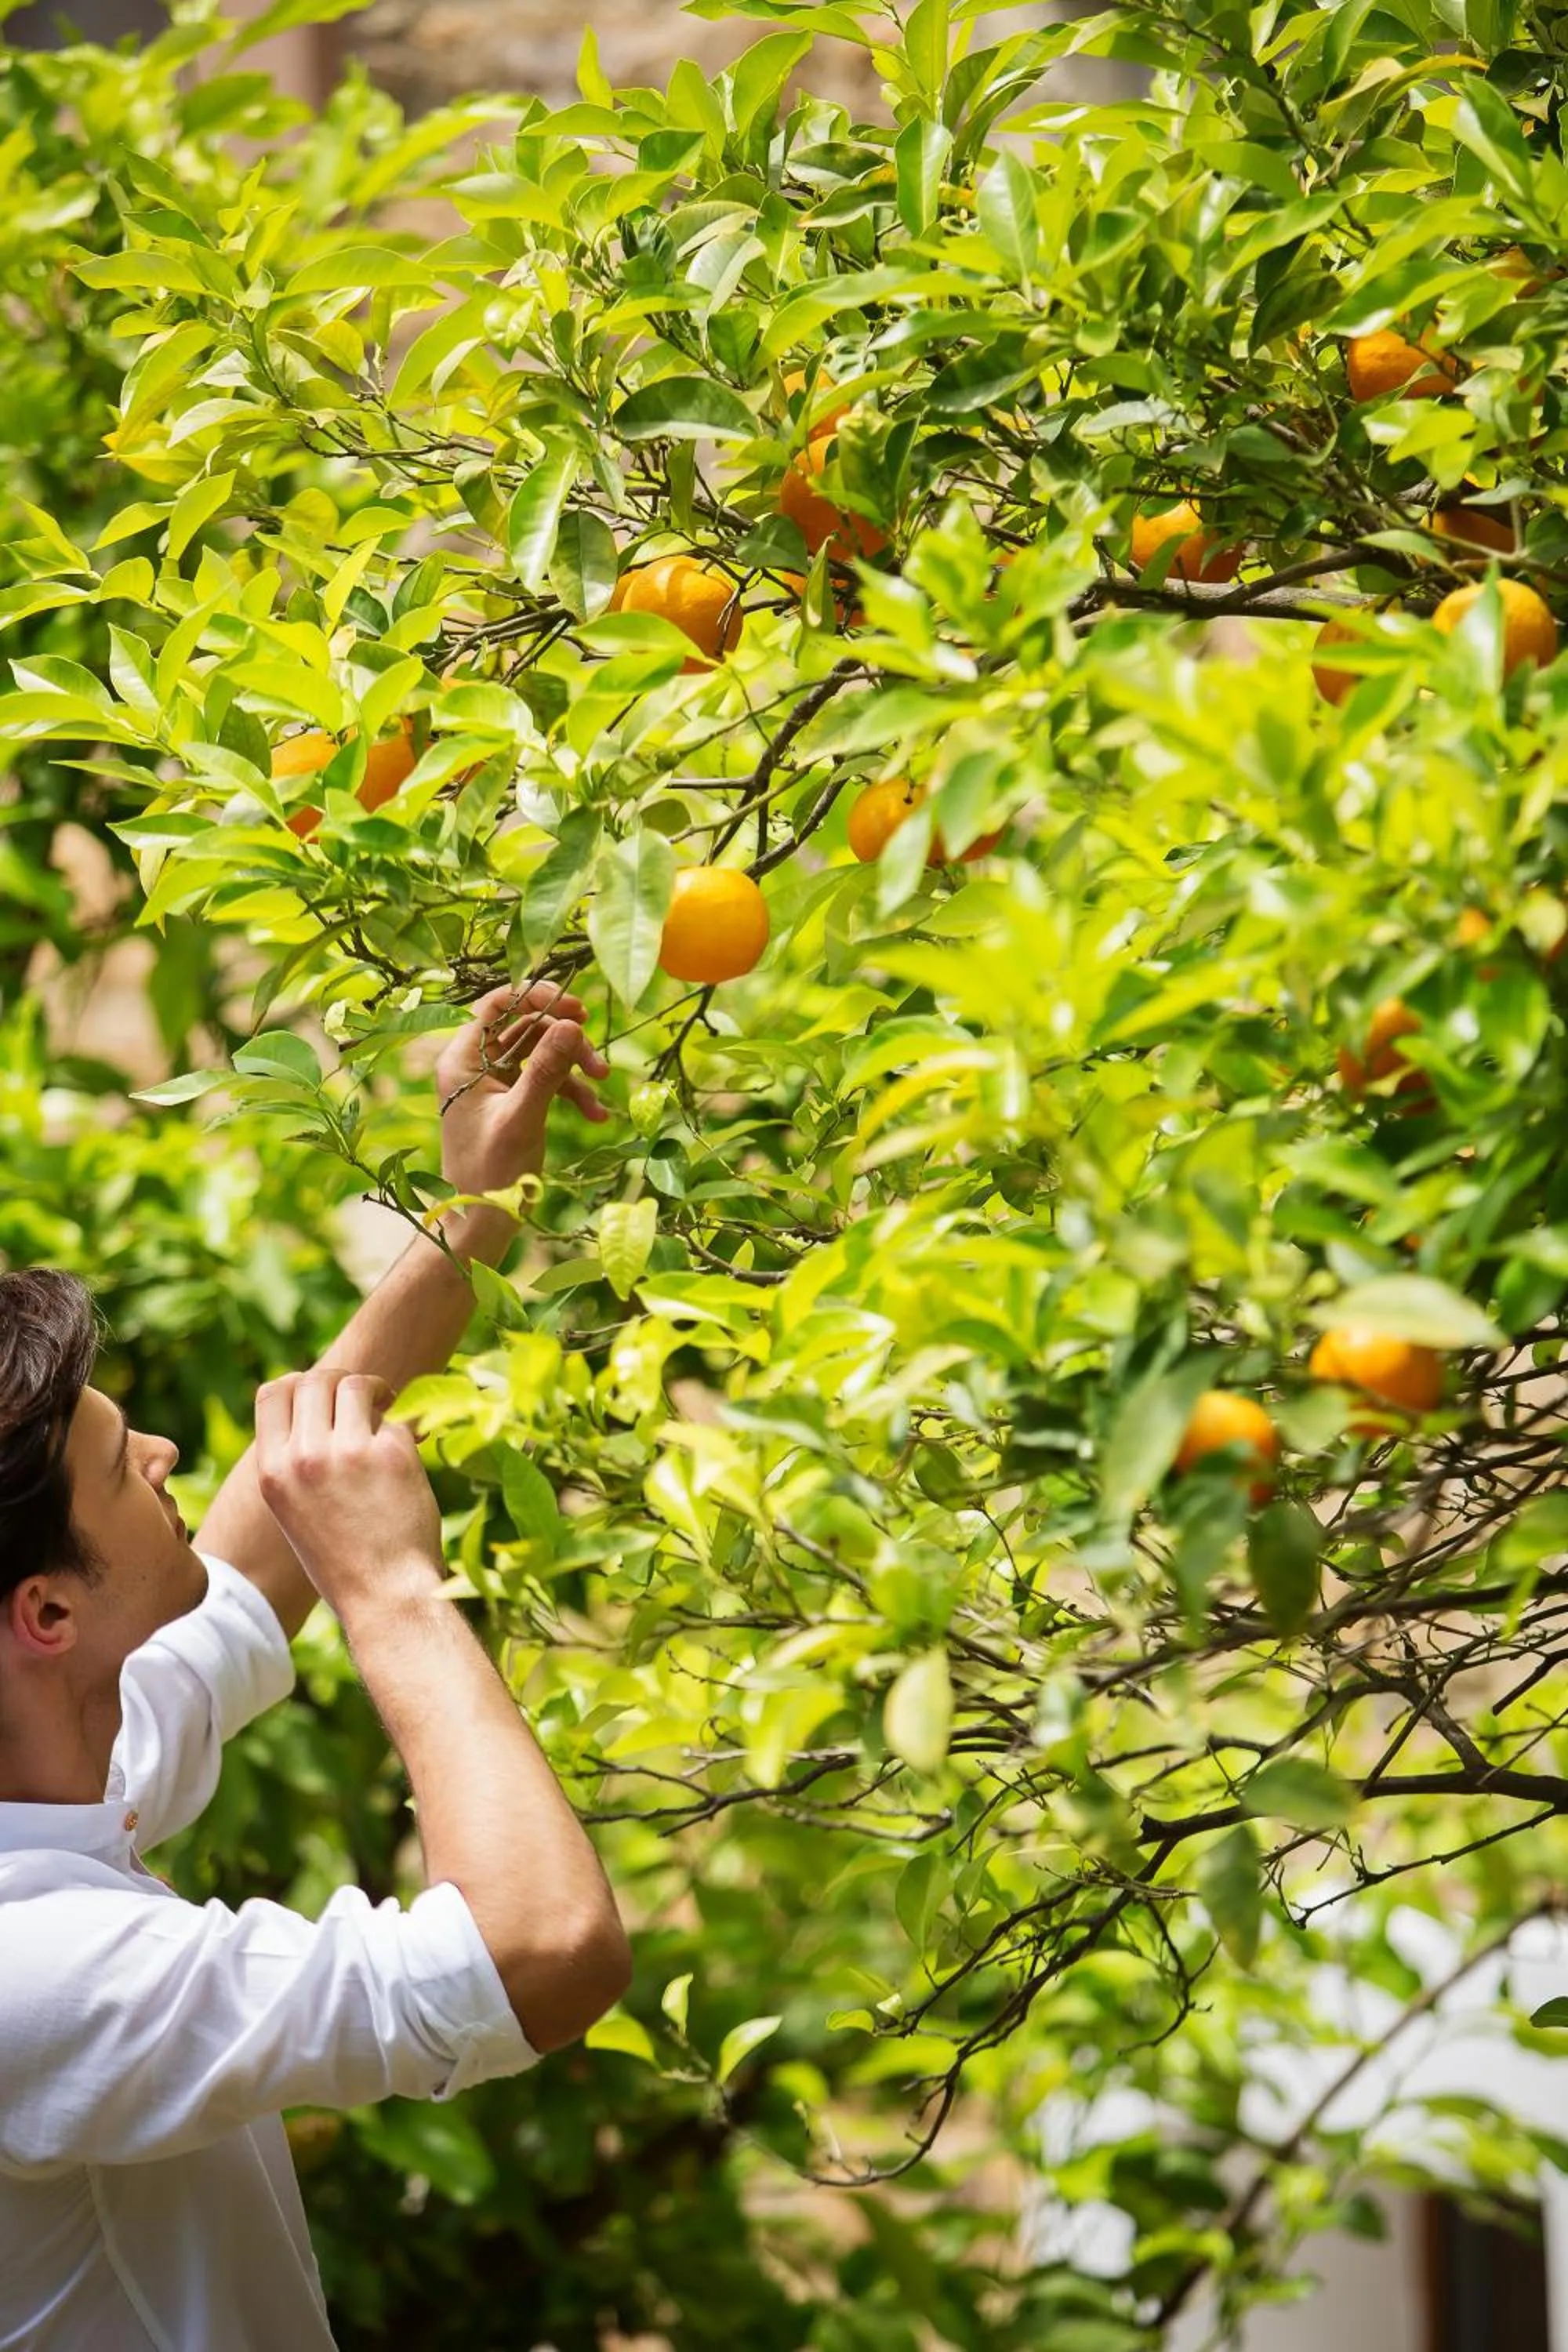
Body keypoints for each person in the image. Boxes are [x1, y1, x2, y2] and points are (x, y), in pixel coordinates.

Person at [0, 1142, 633, 2343]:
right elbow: (542, 1954)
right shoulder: (31, 1972)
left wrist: (477, 1205)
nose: (163, 1456)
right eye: (121, 1466)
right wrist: (391, 1585)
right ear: (48, 1615)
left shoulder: (54, 1761)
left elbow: (243, 1571)